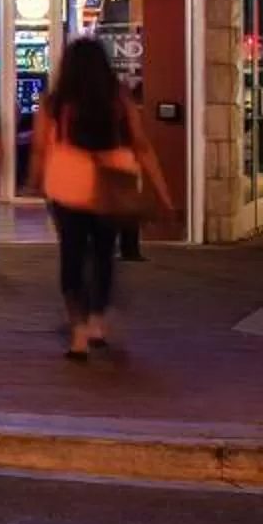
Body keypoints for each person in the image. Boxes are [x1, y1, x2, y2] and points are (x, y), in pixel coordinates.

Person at [33, 35, 169, 359]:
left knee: (73, 257)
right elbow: (141, 144)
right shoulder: (117, 99)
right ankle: (97, 319)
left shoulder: (55, 102)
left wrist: (34, 180)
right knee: (105, 255)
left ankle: (78, 331)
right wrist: (162, 193)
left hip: (68, 186)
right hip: (111, 186)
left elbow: (40, 147)